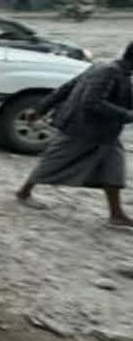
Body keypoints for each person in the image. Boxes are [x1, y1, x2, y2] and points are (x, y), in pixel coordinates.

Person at [16, 42, 133, 229]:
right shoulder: (108, 72)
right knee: (54, 161)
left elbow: (67, 87)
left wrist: (41, 108)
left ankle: (116, 214)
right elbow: (91, 102)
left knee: (113, 169)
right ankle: (24, 192)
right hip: (82, 129)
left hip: (105, 132)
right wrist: (127, 115)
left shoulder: (108, 68)